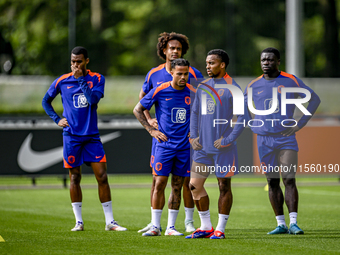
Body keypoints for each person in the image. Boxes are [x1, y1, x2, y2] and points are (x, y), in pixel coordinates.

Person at [42, 46, 127, 232]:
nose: (75, 65)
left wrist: (80, 79)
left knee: (102, 176)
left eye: (79, 61)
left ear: (86, 61)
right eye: (72, 62)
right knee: (75, 177)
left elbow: (93, 100)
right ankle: (78, 222)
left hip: (91, 137)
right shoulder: (62, 81)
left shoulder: (97, 79)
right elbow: (45, 101)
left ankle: (110, 222)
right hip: (71, 137)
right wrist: (57, 119)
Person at [245, 47, 321, 235]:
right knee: (272, 182)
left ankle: (294, 223)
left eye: (270, 60)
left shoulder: (291, 80)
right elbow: (242, 106)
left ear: (278, 61)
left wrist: (299, 124)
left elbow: (314, 100)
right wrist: (251, 124)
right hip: (263, 139)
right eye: (263, 60)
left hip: (285, 138)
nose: (266, 63)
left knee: (288, 178)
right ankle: (281, 224)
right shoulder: (253, 84)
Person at [138, 32, 203, 234]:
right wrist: (150, 122)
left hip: (185, 140)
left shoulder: (194, 75)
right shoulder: (154, 75)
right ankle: (155, 222)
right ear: (164, 50)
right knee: (158, 179)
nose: (175, 51)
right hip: (163, 137)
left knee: (184, 181)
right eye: (172, 48)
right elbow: (141, 102)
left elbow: (202, 103)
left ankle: (188, 222)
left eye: (179, 48)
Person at [186, 49, 247, 239]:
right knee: (194, 186)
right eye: (207, 63)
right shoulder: (203, 86)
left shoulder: (233, 88)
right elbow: (195, 113)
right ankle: (206, 227)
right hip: (202, 148)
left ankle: (220, 229)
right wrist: (193, 136)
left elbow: (242, 118)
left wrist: (228, 140)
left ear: (222, 64)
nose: (208, 66)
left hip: (224, 149)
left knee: (223, 186)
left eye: (211, 63)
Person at [133, 58, 192, 236]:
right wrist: (151, 129)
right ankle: (155, 227)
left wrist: (196, 132)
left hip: (184, 147)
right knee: (159, 183)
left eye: (186, 74)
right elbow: (137, 109)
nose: (183, 77)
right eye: (179, 73)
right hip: (164, 146)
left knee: (177, 185)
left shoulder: (194, 92)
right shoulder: (160, 89)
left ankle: (171, 228)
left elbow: (204, 114)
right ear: (172, 73)